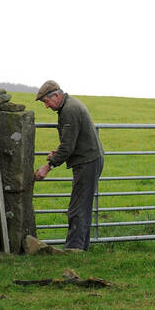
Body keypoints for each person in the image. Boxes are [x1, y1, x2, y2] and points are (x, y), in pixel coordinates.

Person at [33, 80, 105, 251]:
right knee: (82, 206)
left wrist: (47, 166)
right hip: (89, 159)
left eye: (46, 101)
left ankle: (74, 249)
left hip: (87, 161)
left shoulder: (69, 111)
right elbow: (71, 141)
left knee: (78, 208)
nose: (46, 106)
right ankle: (80, 248)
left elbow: (68, 146)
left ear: (56, 96)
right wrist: (58, 152)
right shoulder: (70, 105)